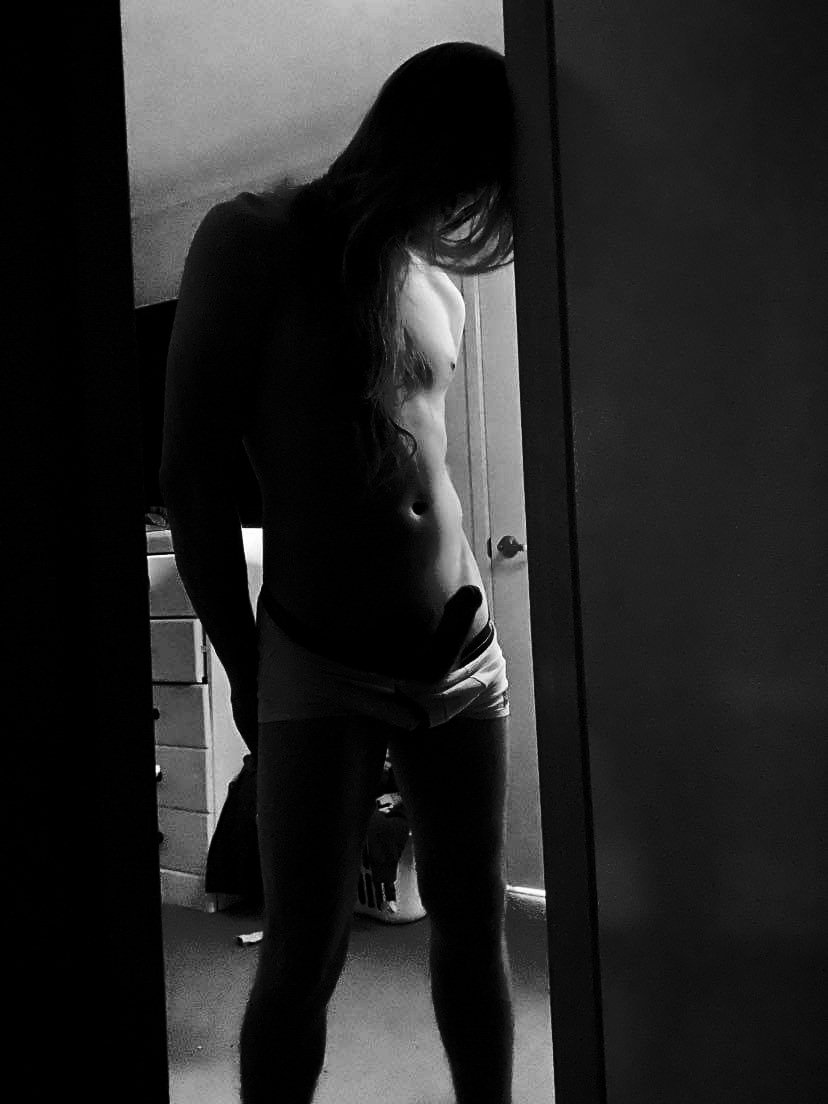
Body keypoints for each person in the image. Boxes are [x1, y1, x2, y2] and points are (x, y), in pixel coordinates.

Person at [161, 40, 516, 1104]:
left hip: (463, 651)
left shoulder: (437, 285)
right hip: (319, 661)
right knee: (305, 950)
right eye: (462, 182)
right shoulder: (251, 239)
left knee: (474, 918)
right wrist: (247, 665)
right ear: (422, 148)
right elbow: (192, 476)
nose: (464, 213)